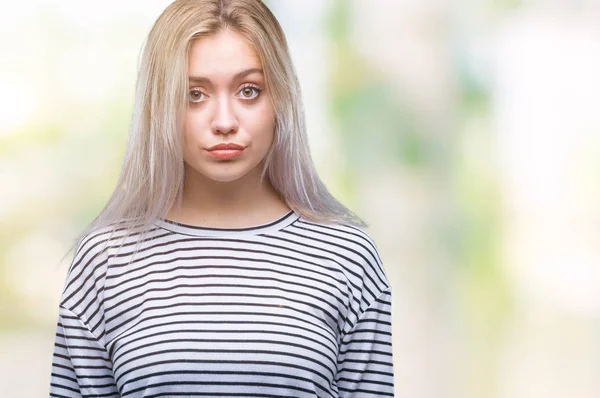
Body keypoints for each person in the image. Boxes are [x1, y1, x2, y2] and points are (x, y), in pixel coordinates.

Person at [48, 0, 394, 397]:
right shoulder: (105, 261)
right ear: (160, 105)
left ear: (280, 98)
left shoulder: (346, 255)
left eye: (249, 90)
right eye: (194, 94)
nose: (225, 121)